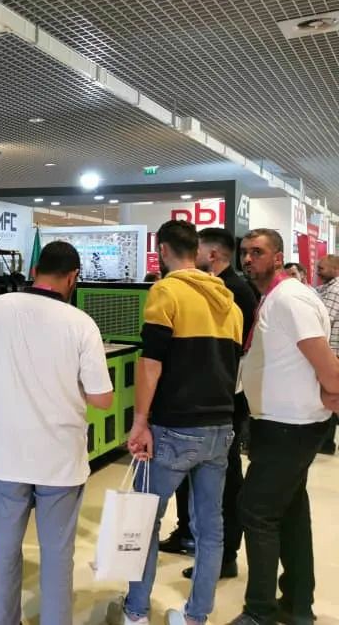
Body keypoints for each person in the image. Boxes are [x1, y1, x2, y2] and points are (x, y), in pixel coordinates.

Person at [0, 241, 113, 625]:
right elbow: (102, 399)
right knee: (58, 554)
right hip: (60, 460)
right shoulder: (81, 324)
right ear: (73, 277)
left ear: (34, 271)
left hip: (5, 454)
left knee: (2, 551)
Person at [107, 220, 242, 625]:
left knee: (145, 520)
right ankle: (196, 616)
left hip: (174, 427)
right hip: (220, 428)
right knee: (210, 528)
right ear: (196, 252)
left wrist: (140, 421)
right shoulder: (230, 303)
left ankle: (136, 611)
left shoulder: (166, 291)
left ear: (163, 250)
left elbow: (151, 363)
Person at [227, 230, 339, 625]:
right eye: (245, 252)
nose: (248, 259)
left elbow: (326, 363)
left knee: (256, 511)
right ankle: (297, 605)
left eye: (257, 252)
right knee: (289, 511)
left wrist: (331, 390)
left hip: (289, 427)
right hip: (282, 422)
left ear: (278, 258)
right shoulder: (277, 297)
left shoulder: (289, 299)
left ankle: (259, 612)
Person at [160, 228, 258, 582]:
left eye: (197, 248)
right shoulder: (216, 287)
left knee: (223, 485)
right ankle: (188, 532)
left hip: (219, 403)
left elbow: (230, 353)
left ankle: (225, 554)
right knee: (197, 481)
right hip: (206, 402)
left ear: (211, 253)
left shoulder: (233, 291)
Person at [315, 255, 339, 455]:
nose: (317, 272)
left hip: (333, 352)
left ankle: (326, 443)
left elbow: (325, 320)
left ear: (336, 269)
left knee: (331, 398)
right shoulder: (327, 288)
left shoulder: (335, 289)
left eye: (321, 268)